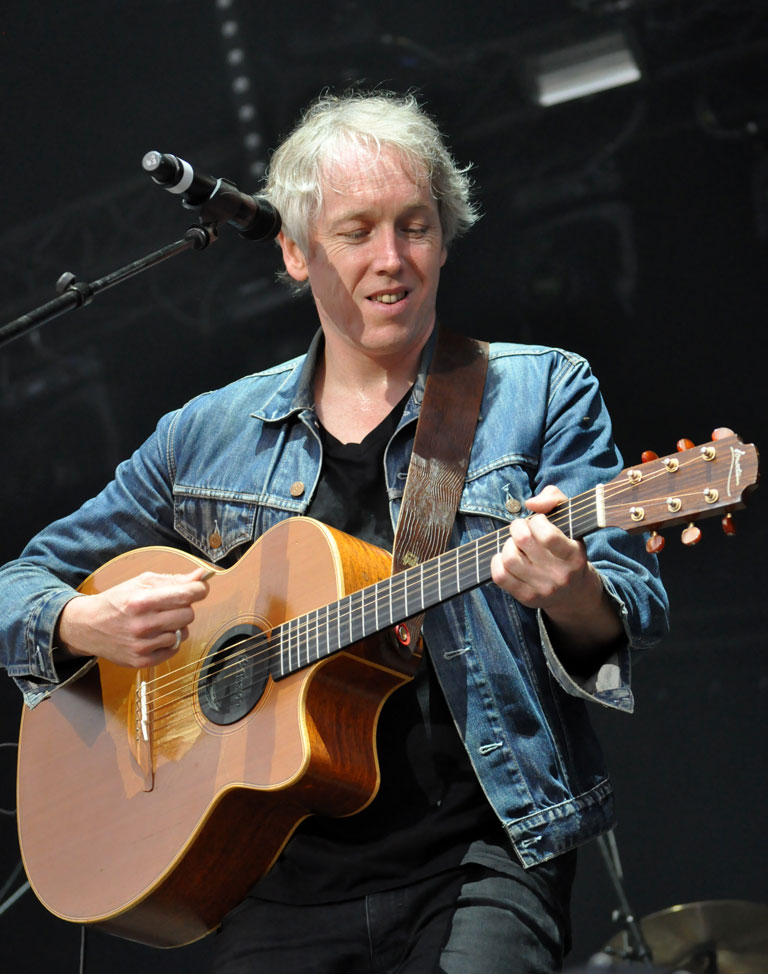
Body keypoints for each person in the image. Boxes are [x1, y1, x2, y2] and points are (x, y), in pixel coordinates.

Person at [0, 91, 668, 972]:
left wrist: (573, 592)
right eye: (356, 232)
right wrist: (79, 622)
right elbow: (17, 584)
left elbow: (631, 607)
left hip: (481, 856)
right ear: (293, 250)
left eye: (415, 226)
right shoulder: (205, 434)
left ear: (444, 236)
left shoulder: (540, 391)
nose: (393, 259)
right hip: (265, 870)